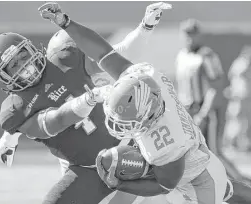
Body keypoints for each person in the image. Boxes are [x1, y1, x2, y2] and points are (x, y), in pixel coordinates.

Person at [37, 2, 251, 204]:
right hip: (190, 162)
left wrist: (120, 182)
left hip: (196, 180)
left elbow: (164, 184)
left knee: (220, 189)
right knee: (230, 190)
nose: (123, 127)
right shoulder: (143, 77)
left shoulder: (167, 140)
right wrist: (66, 22)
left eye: (130, 122)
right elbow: (102, 52)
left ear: (149, 114)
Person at [0, 2, 169, 204]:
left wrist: (145, 28)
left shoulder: (63, 58)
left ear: (31, 49)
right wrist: (88, 99)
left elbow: (116, 55)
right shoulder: (17, 109)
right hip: (85, 167)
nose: (24, 65)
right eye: (14, 65)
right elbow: (54, 121)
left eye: (23, 56)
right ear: (4, 77)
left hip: (127, 148)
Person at [175, 18, 245, 182]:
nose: (190, 38)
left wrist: (203, 113)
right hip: (187, 112)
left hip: (205, 112)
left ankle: (244, 184)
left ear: (199, 35)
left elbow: (216, 86)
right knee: (190, 154)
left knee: (213, 152)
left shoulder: (207, 55)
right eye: (187, 34)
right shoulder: (181, 55)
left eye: (193, 34)